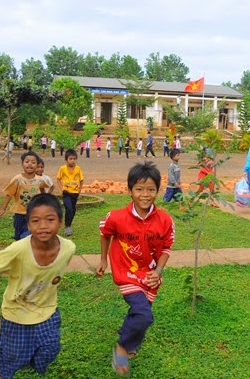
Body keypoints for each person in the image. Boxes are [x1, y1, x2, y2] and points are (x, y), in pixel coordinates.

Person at [0, 193, 76, 379]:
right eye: (36, 221)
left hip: (47, 311)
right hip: (16, 313)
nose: (43, 226)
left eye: (50, 219)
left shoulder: (69, 248)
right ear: (28, 224)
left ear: (61, 222)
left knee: (51, 349)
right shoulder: (19, 250)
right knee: (12, 356)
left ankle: (30, 361)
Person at [96, 161, 175, 377]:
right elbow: (105, 233)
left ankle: (129, 341)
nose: (145, 194)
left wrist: (158, 271)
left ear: (157, 191)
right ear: (130, 190)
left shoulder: (165, 220)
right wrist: (103, 260)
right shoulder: (117, 217)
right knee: (144, 316)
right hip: (126, 273)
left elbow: (167, 247)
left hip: (150, 275)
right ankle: (122, 347)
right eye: (139, 189)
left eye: (151, 189)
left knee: (140, 314)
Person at [0, 151, 50, 240]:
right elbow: (9, 194)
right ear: (22, 164)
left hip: (33, 213)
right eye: (27, 162)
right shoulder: (17, 179)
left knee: (27, 235)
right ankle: (19, 238)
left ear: (37, 166)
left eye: (33, 162)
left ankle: (28, 244)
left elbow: (42, 189)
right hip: (19, 213)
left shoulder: (40, 180)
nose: (30, 164)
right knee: (18, 236)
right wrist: (3, 209)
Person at [56, 149, 83, 237]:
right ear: (66, 160)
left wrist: (79, 192)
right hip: (66, 192)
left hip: (75, 193)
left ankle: (69, 225)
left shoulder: (78, 169)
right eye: (70, 159)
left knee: (73, 210)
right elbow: (58, 179)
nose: (72, 161)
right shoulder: (62, 169)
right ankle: (67, 227)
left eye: (74, 159)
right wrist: (62, 189)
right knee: (69, 208)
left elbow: (81, 180)